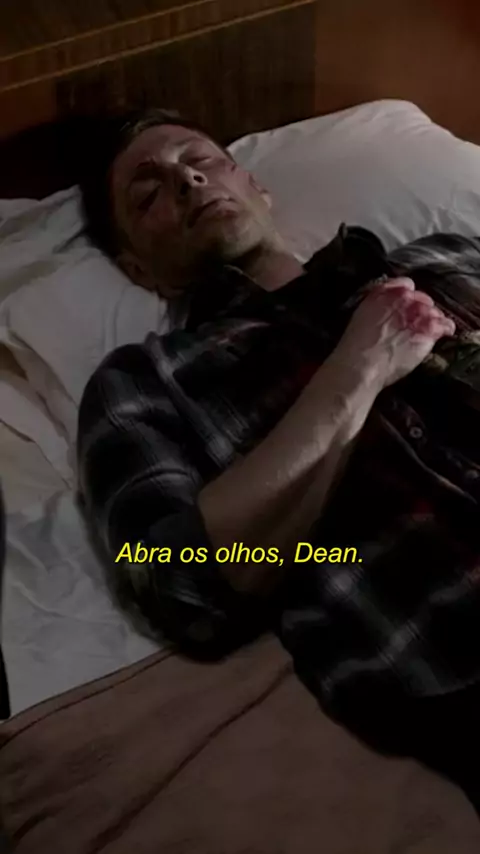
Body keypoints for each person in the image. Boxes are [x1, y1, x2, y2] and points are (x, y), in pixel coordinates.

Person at [78, 108, 480, 808]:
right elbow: (177, 580)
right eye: (148, 193)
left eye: (200, 160)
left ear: (256, 184)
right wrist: (358, 368)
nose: (188, 180)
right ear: (137, 267)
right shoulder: (148, 383)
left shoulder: (442, 261)